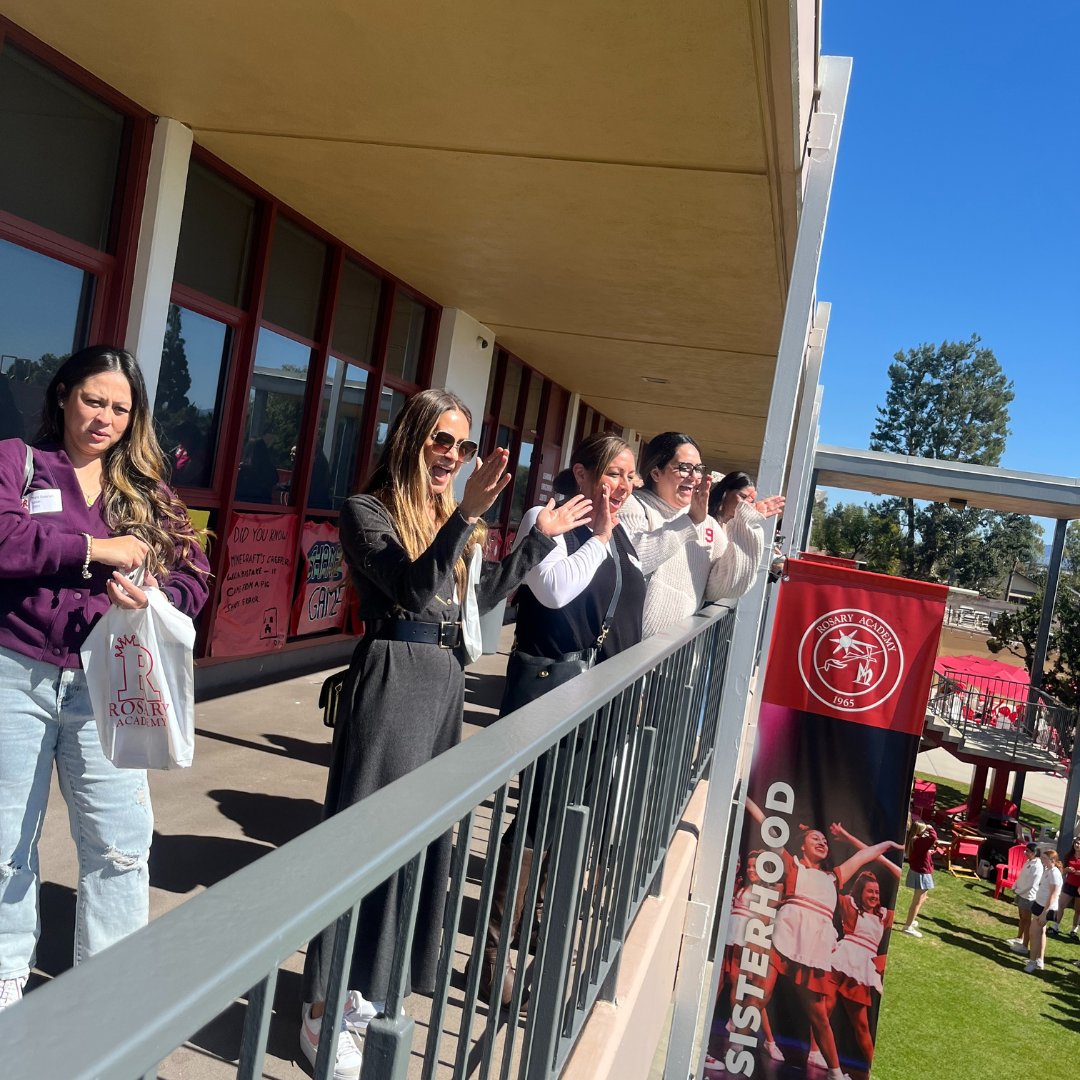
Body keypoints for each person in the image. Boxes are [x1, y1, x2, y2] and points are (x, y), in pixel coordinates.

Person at [299, 388, 591, 1078]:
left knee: (413, 849)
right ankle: (319, 1012)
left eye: (460, 447)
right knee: (359, 846)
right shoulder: (366, 511)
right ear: (409, 438)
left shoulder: (449, 518)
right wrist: (464, 516)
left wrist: (533, 543)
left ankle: (363, 991)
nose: (451, 457)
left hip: (441, 683)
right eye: (440, 441)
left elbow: (477, 608)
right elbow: (407, 589)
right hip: (393, 674)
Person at [0, 345, 211, 1013]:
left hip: (105, 685)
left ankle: (109, 999)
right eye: (94, 400)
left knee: (120, 846)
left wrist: (160, 597)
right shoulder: (18, 461)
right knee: (5, 842)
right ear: (63, 394)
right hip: (16, 671)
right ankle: (5, 976)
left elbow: (195, 572)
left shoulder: (144, 490)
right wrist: (95, 549)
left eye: (121, 408)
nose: (107, 418)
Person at [479, 432, 646, 1007]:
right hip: (554, 688)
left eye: (631, 476)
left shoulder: (621, 531)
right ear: (580, 472)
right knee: (540, 817)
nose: (624, 486)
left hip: (601, 698)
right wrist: (598, 536)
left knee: (569, 817)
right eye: (614, 474)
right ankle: (493, 954)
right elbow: (553, 594)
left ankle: (534, 937)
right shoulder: (544, 517)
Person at [743, 799, 902, 1080]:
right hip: (785, 937)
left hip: (814, 949)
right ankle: (734, 1044)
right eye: (816, 838)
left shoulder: (834, 877)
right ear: (802, 846)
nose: (822, 842)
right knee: (760, 995)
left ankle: (835, 1072)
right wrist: (745, 796)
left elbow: (863, 857)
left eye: (825, 840)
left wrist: (888, 844)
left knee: (819, 1016)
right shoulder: (793, 867)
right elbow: (769, 826)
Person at [619, 434, 784, 637]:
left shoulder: (706, 523)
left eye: (697, 469)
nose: (694, 476)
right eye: (684, 468)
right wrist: (689, 521)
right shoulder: (633, 506)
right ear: (655, 472)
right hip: (627, 653)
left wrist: (745, 526)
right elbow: (634, 561)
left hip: (675, 656)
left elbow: (726, 587)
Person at [824, 870, 895, 1069]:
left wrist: (889, 850)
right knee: (823, 1009)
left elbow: (899, 873)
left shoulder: (884, 915)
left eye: (877, 892)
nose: (874, 896)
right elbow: (833, 884)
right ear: (860, 893)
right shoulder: (850, 906)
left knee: (862, 1024)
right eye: (870, 891)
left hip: (861, 970)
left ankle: (872, 1066)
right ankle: (814, 1054)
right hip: (839, 960)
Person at [899, 819, 940, 937]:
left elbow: (919, 854)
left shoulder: (912, 840)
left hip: (917, 871)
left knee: (922, 898)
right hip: (922, 874)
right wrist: (930, 827)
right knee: (917, 901)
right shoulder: (920, 841)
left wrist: (928, 853)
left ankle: (911, 920)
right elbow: (933, 838)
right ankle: (908, 926)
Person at [1026, 849, 1063, 974]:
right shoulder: (1048, 870)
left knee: (1033, 933)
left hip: (1046, 908)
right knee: (1041, 933)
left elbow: (1053, 895)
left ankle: (1032, 963)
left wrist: (1044, 913)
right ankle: (1039, 960)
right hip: (1039, 903)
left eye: (1045, 858)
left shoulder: (1055, 874)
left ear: (1052, 860)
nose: (1042, 860)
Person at [1006, 842, 1043, 954]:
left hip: (1028, 896)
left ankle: (1024, 946)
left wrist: (1018, 891)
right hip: (1020, 893)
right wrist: (1015, 886)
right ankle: (1019, 938)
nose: (1025, 853)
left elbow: (1032, 884)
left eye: (1028, 851)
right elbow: (1021, 876)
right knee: (1022, 917)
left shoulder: (1037, 866)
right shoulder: (1028, 862)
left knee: (1027, 921)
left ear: (1034, 853)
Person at [1047, 835, 1080, 938]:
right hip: (1069, 884)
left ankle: (1074, 930)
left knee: (1078, 909)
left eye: (1079, 843)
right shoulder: (1069, 855)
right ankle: (1055, 926)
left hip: (1079, 887)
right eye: (1076, 843)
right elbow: (1061, 871)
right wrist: (1067, 870)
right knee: (1061, 905)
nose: (1077, 845)